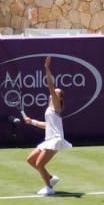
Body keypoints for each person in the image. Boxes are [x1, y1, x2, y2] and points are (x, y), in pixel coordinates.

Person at [21, 56, 71, 195]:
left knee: (39, 164)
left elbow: (50, 84)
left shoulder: (56, 105)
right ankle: (50, 178)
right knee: (31, 160)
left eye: (58, 92)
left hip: (55, 140)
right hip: (49, 139)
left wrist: (47, 68)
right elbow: (48, 126)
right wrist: (33, 122)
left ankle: (49, 188)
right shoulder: (50, 108)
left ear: (59, 98)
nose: (56, 91)